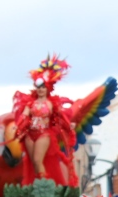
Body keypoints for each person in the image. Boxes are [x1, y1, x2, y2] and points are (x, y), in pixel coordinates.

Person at [13, 55, 76, 185]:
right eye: (38, 87)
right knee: (32, 163)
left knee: (37, 160)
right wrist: (18, 126)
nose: (40, 90)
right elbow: (24, 115)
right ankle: (37, 185)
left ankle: (44, 186)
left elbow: (60, 118)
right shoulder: (30, 103)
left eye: (43, 87)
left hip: (44, 134)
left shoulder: (51, 104)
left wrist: (69, 126)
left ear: (47, 88)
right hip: (30, 134)